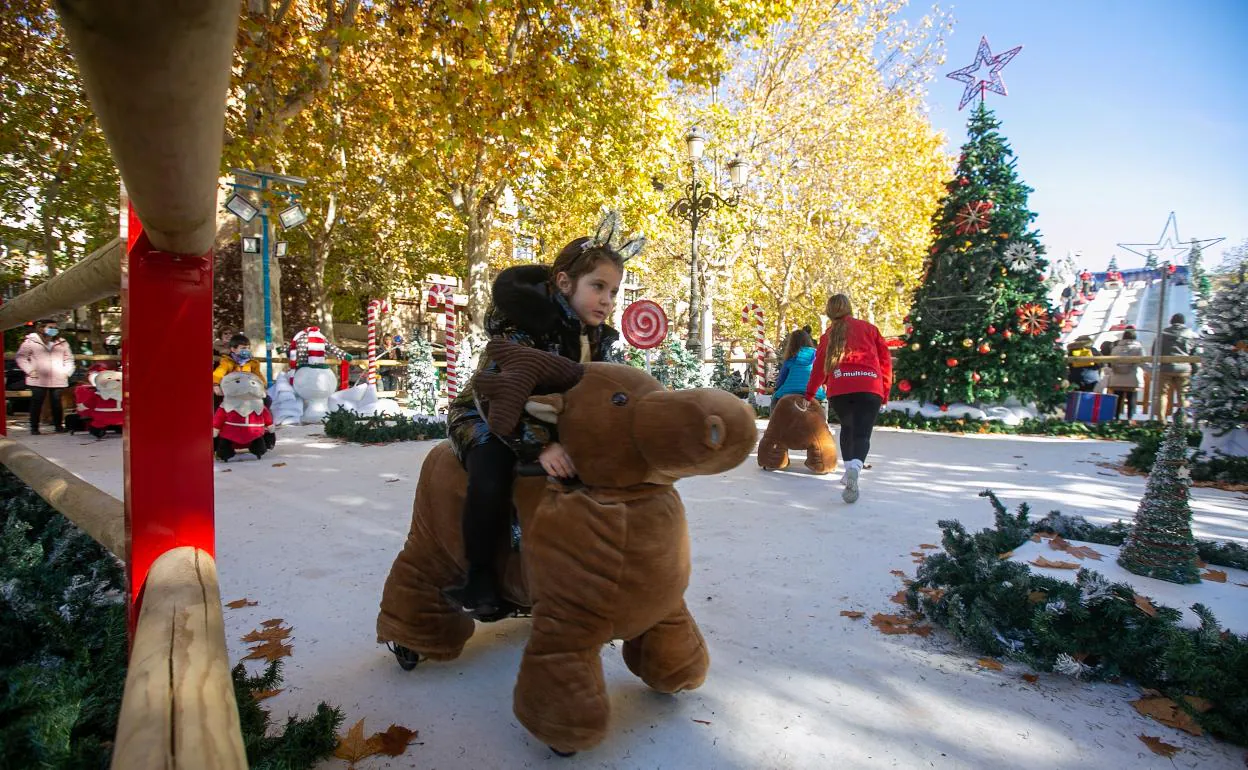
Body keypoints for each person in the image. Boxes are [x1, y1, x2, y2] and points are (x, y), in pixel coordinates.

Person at [443, 232, 628, 617]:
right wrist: (540, 446)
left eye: (613, 290)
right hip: (486, 415)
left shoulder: (598, 339)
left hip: (552, 419)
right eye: (598, 287)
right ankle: (479, 576)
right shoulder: (522, 326)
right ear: (564, 282)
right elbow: (500, 394)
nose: (608, 300)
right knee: (491, 468)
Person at [804, 294, 892, 505]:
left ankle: (847, 471)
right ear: (850, 308)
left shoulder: (828, 335)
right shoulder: (869, 329)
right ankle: (855, 468)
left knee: (848, 428)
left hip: (840, 388)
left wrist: (809, 393)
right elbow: (885, 361)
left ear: (829, 311)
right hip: (870, 386)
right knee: (863, 433)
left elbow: (818, 368)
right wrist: (885, 391)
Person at [15, 318, 75, 434]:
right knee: (36, 402)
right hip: (37, 377)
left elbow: (69, 358)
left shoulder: (62, 342)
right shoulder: (31, 341)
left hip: (58, 377)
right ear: (41, 328)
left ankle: (58, 426)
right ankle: (34, 428)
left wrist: (67, 372)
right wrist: (30, 370)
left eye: (55, 328)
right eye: (50, 327)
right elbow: (21, 357)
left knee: (57, 403)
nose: (54, 330)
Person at [1153, 313, 1199, 421]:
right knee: (1182, 395)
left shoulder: (1162, 334)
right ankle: (1182, 420)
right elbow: (1195, 353)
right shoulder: (1190, 334)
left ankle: (1161, 419)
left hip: (1166, 368)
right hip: (1184, 369)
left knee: (1162, 394)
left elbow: (1155, 351)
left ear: (1171, 321)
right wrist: (1194, 370)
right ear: (1183, 322)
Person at [772, 327, 825, 403]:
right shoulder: (816, 354)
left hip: (789, 391)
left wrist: (776, 388)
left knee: (774, 400)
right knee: (824, 406)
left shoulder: (791, 356)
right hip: (814, 393)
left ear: (791, 343)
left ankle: (772, 415)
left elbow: (782, 378)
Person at [1107, 329, 1145, 421]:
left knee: (1118, 398)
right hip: (1132, 377)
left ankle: (1115, 418)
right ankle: (1130, 418)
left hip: (1117, 378)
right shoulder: (1138, 348)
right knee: (1131, 398)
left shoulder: (1115, 348)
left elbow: (1111, 363)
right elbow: (1142, 362)